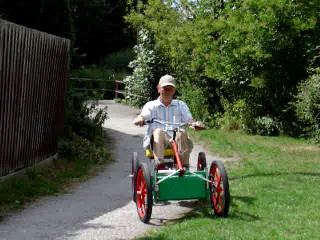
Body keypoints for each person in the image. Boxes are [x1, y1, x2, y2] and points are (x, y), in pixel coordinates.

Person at [133, 74, 204, 167]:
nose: (167, 91)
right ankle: (160, 165)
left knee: (181, 132)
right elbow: (144, 115)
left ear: (174, 91)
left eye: (170, 89)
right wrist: (140, 119)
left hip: (176, 140)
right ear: (158, 88)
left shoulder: (180, 105)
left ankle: (185, 167)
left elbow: (189, 120)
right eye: (165, 88)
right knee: (158, 132)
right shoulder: (151, 105)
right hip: (156, 141)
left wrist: (195, 124)